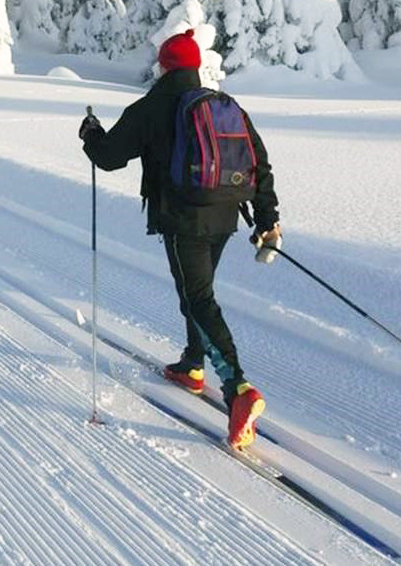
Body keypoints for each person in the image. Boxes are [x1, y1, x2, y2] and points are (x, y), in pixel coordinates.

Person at [78, 29, 280, 450]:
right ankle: (192, 364)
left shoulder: (153, 106)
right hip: (225, 216)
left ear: (164, 65)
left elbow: (110, 157)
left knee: (198, 299)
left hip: (182, 218)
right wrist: (266, 220)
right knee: (198, 291)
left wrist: (90, 133)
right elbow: (259, 163)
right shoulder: (224, 106)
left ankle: (238, 390)